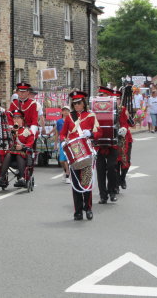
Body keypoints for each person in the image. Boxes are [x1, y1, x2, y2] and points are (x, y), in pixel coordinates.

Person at [60, 91, 102, 221]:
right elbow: (63, 133)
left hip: (87, 152)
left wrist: (90, 133)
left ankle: (88, 208)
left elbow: (99, 132)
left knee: (87, 181)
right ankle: (78, 211)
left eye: (79, 102)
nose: (77, 105)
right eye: (75, 103)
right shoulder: (69, 117)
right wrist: (63, 141)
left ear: (84, 103)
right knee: (76, 183)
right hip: (74, 153)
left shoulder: (91, 116)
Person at [0, 109, 36, 188]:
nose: (16, 120)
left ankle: (21, 178)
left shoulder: (27, 131)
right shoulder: (10, 131)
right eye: (14, 118)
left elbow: (30, 144)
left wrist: (22, 147)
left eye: (18, 118)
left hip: (23, 155)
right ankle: (2, 177)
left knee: (18, 155)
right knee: (8, 154)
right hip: (11, 154)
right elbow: (5, 142)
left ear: (22, 119)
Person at [95, 86, 118, 204]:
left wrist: (121, 128)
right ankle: (103, 195)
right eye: (99, 95)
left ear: (108, 97)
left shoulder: (115, 107)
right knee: (100, 170)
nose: (100, 97)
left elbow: (120, 122)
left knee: (111, 168)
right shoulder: (94, 109)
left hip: (112, 144)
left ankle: (112, 192)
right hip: (99, 144)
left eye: (102, 95)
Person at [115, 92, 134, 192]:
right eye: (115, 99)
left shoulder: (123, 109)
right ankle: (116, 184)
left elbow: (131, 124)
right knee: (116, 162)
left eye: (118, 98)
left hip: (126, 138)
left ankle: (122, 178)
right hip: (114, 138)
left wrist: (128, 117)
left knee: (126, 160)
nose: (117, 100)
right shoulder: (110, 111)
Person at [54, 105, 71, 184]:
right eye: (64, 110)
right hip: (62, 142)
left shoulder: (72, 120)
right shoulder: (59, 121)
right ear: (62, 112)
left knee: (67, 160)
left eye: (67, 110)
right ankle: (65, 171)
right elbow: (57, 133)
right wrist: (55, 143)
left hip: (70, 142)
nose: (65, 112)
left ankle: (68, 176)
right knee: (61, 160)